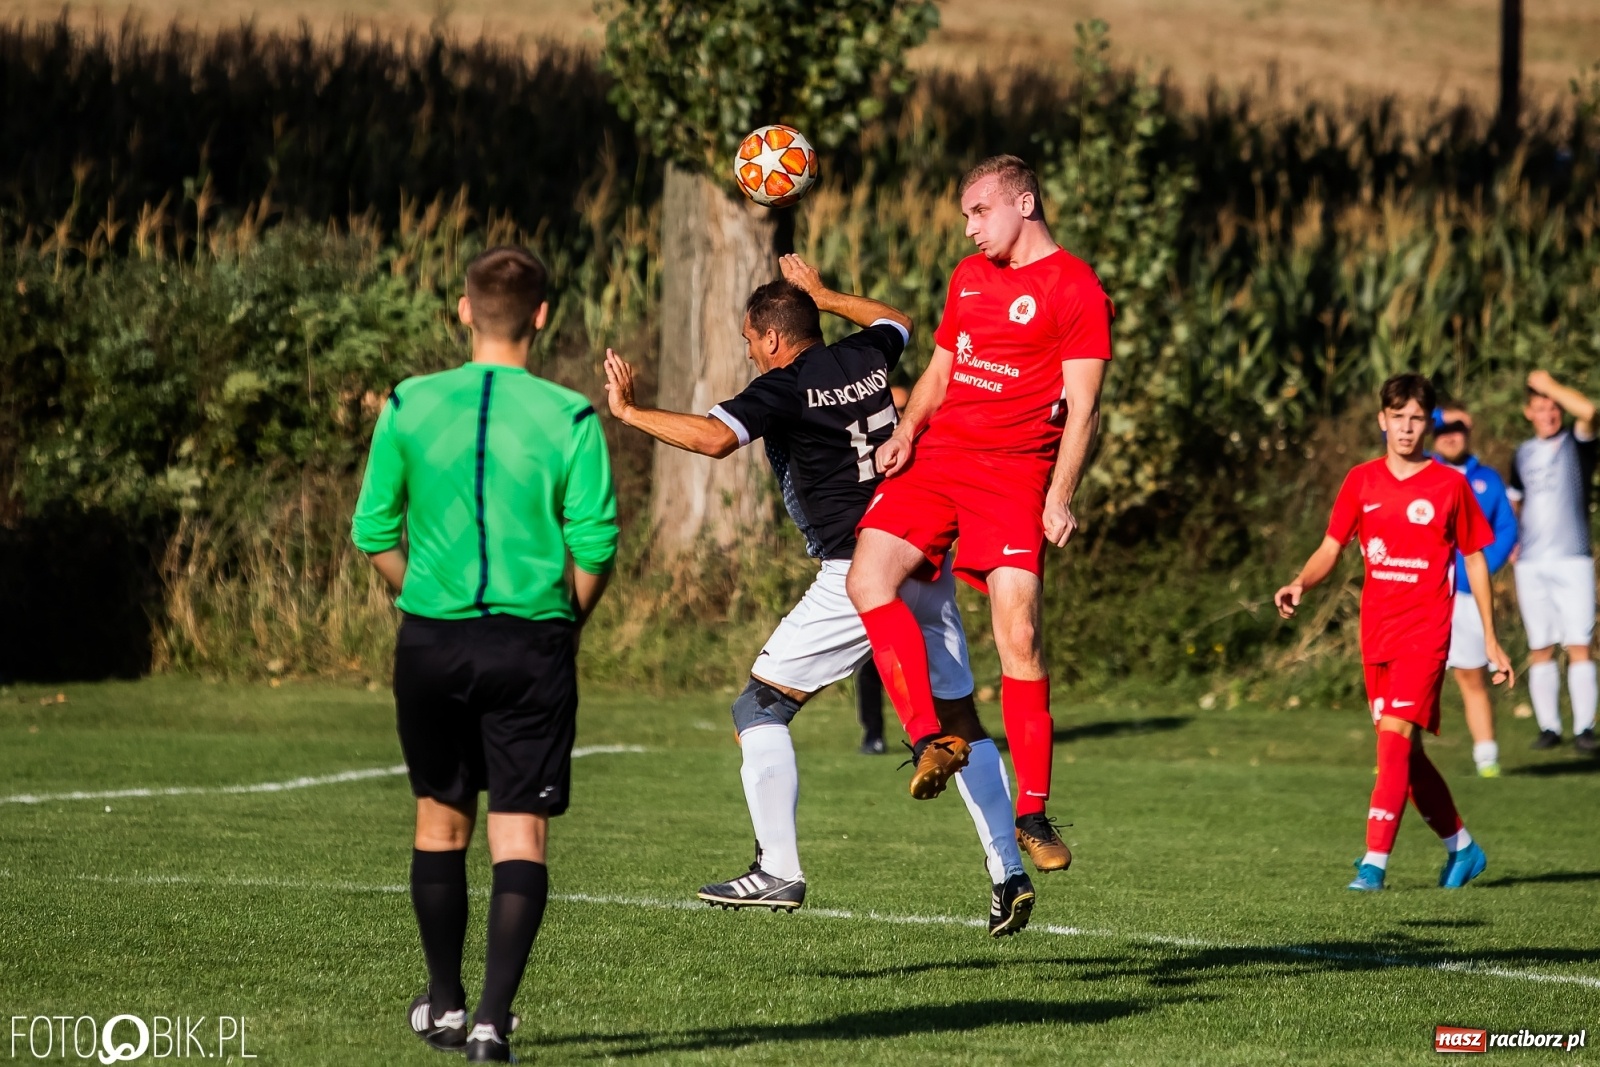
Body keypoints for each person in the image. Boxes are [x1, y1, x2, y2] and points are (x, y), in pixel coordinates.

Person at [603, 256, 1036, 937]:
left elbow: (715, 439)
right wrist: (826, 295)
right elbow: (901, 319)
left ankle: (776, 866)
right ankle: (1009, 873)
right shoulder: (865, 354)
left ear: (773, 338)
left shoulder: (784, 386)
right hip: (922, 556)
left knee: (759, 703)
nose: (749, 349)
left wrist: (629, 412)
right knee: (963, 722)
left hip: (857, 569)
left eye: (750, 338)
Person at [351, 246, 618, 1063]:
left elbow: (374, 532)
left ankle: (443, 1000)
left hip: (431, 638)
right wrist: (559, 622)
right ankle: (493, 1023)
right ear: (543, 316)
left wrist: (419, 600)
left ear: (463, 311)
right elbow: (596, 544)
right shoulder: (571, 416)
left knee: (440, 820)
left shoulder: (406, 403)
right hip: (531, 641)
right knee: (519, 832)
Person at [845, 154, 1111, 875]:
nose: (969, 230)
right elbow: (938, 371)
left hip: (1016, 475)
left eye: (980, 212)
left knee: (1018, 634)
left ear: (1024, 202)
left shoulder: (1076, 285)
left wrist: (1060, 494)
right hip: (939, 460)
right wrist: (907, 430)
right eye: (966, 215)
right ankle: (929, 738)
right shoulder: (969, 278)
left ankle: (1033, 811)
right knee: (868, 576)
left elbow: (1084, 406)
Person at [1275, 374, 1511, 892]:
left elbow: (1474, 557)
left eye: (1416, 418)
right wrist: (1300, 582)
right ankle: (1463, 848)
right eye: (1397, 416)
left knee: (1394, 744)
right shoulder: (1361, 480)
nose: (1406, 427)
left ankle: (1372, 866)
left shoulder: (1449, 485)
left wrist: (1491, 639)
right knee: (1406, 753)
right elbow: (1331, 547)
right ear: (1382, 420)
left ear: (1429, 423)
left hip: (1426, 634)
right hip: (1376, 634)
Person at [1506, 370, 1597, 753]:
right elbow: (1515, 499)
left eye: (1553, 407)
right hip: (1531, 563)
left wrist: (1549, 385)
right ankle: (1549, 727)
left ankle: (1584, 730)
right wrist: (1511, 540)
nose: (1548, 413)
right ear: (1528, 413)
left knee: (1579, 643)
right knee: (1540, 646)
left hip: (1572, 557)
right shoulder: (1522, 453)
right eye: (1540, 407)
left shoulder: (1577, 444)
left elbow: (1589, 410)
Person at [1430, 407, 1518, 776]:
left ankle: (1487, 758)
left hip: (1466, 597)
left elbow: (1506, 530)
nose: (1451, 436)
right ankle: (1394, 756)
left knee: (1472, 676)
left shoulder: (1488, 480)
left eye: (1458, 429)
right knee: (1416, 678)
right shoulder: (1422, 474)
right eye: (1444, 429)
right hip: (1426, 594)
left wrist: (1473, 570)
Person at [854, 385, 912, 757]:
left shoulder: (916, 442)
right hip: (873, 555)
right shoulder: (868, 443)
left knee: (916, 650)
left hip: (911, 556)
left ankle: (929, 731)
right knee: (871, 656)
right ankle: (874, 733)